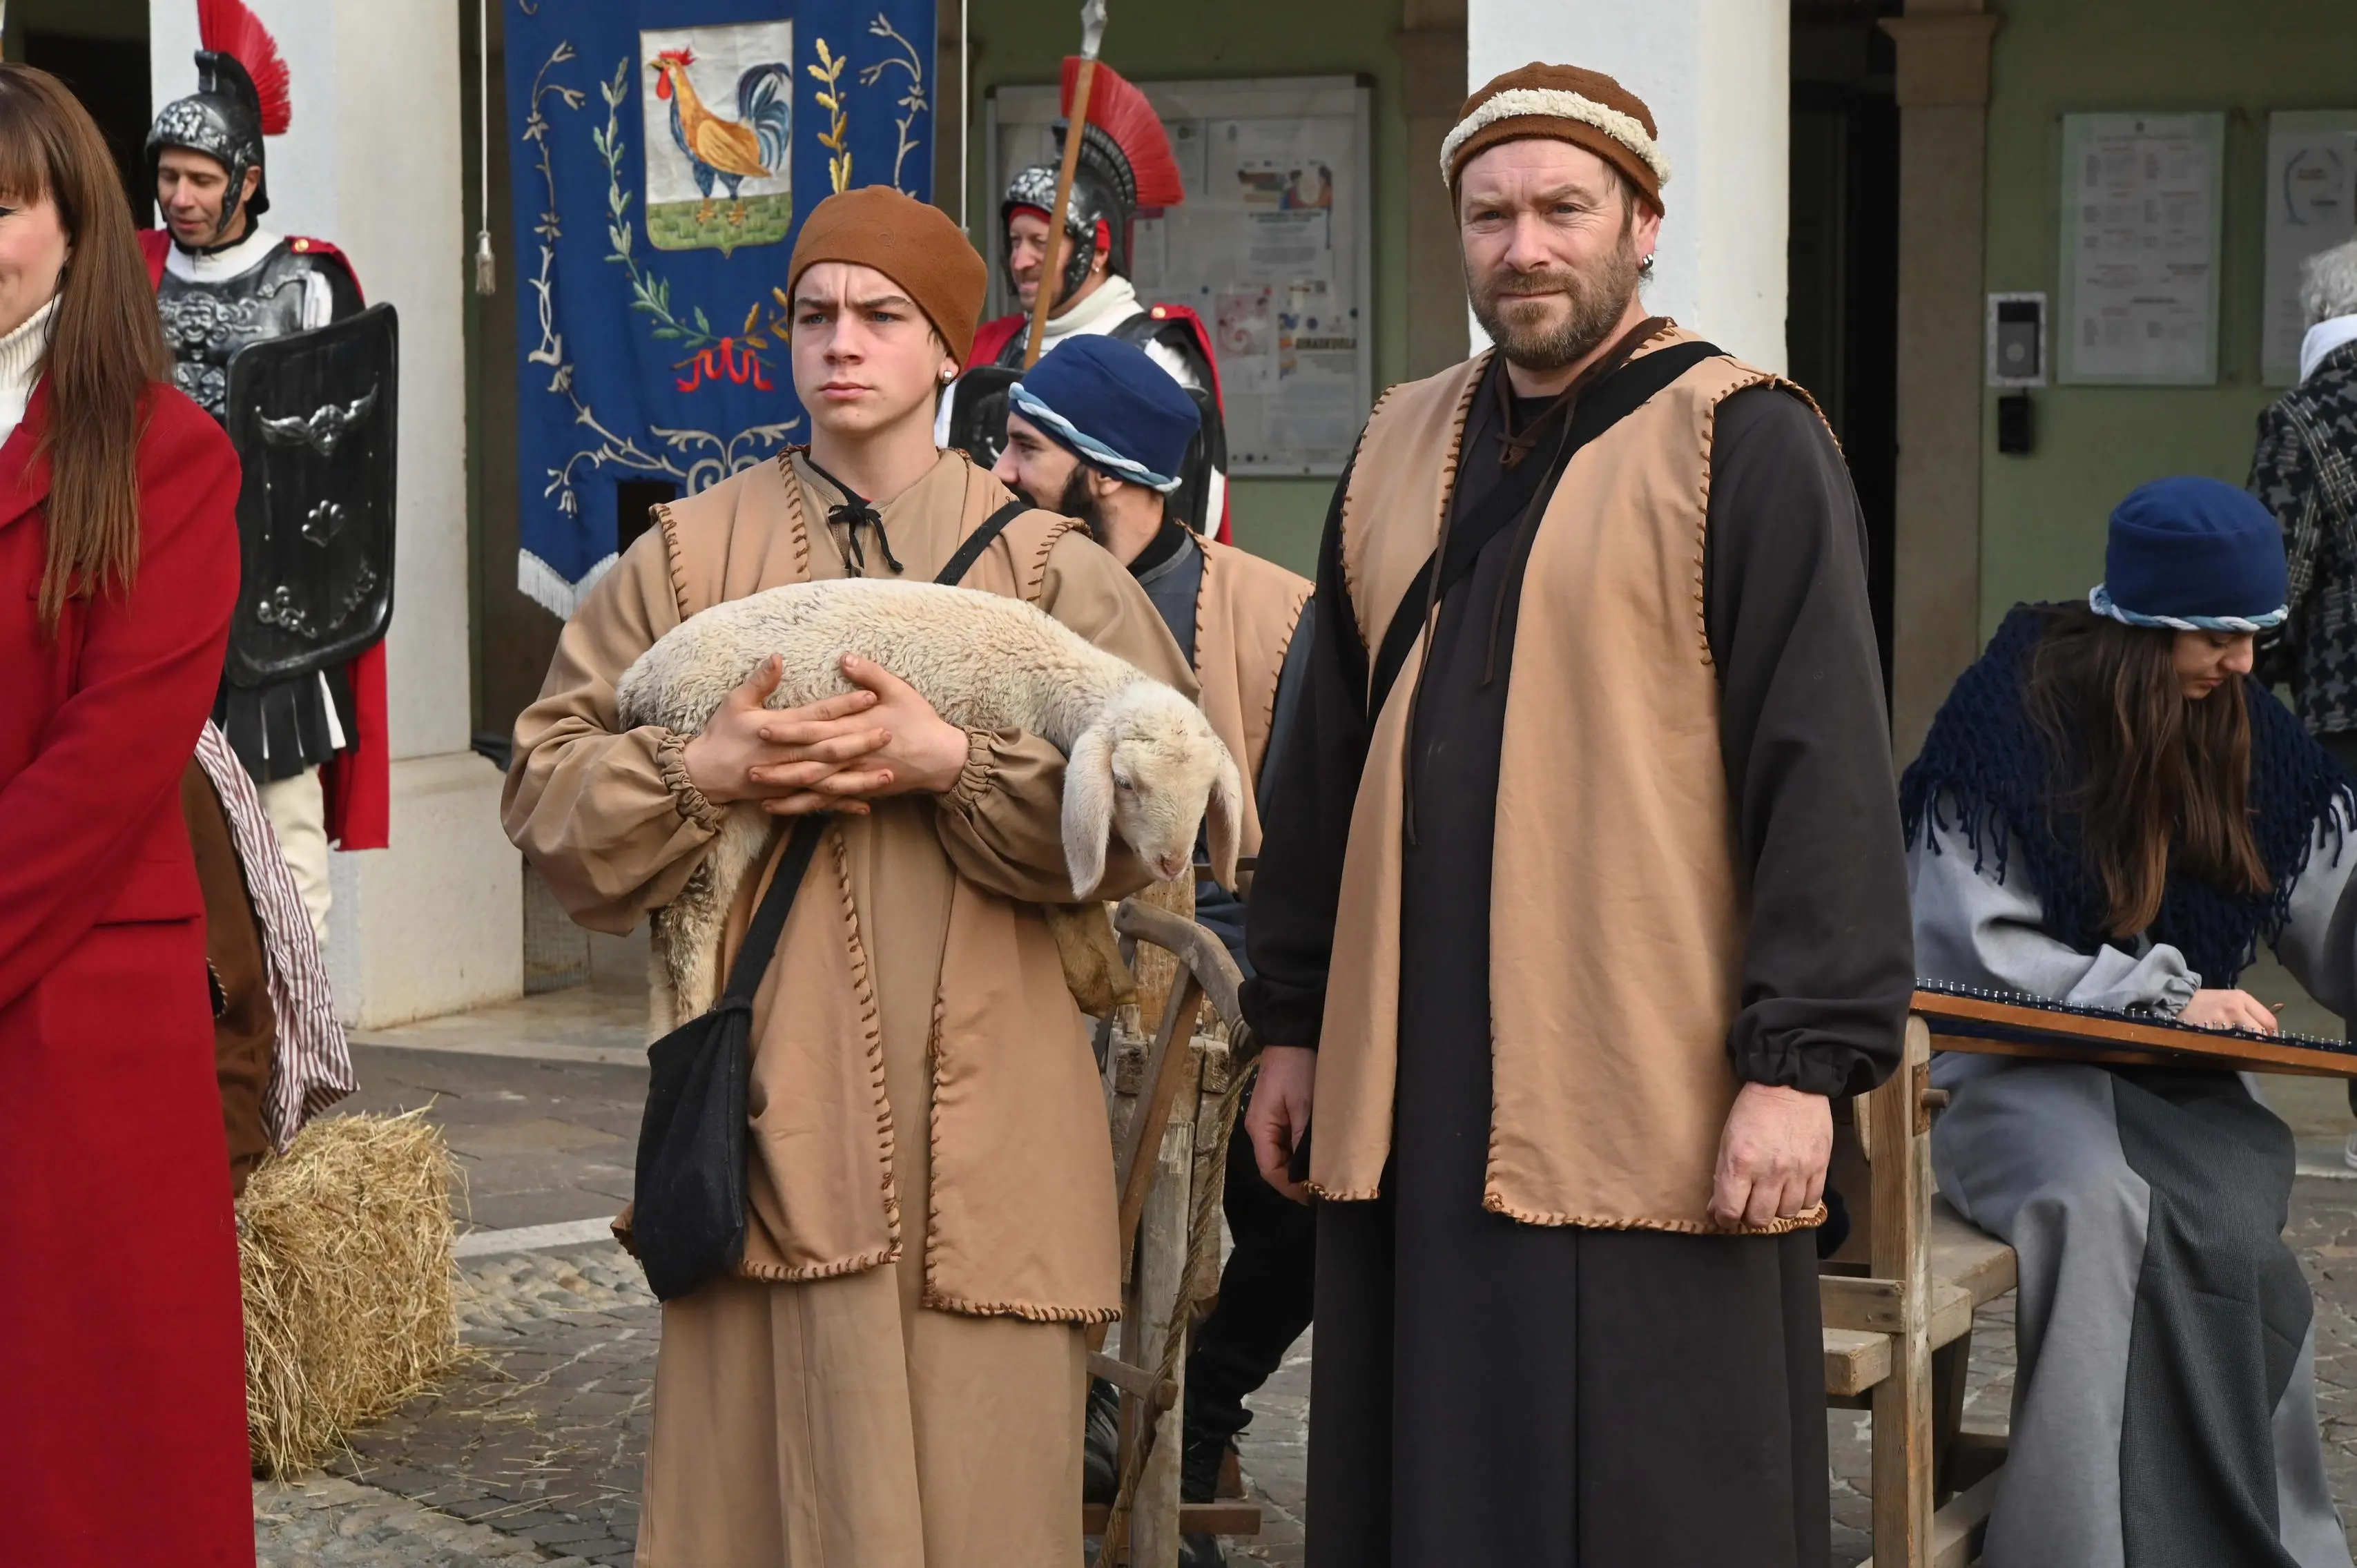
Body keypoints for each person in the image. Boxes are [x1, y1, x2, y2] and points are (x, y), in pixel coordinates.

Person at [1237, 62, 1914, 1564]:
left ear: (1642, 223)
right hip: (1416, 1065)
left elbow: (1824, 779)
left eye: (1562, 209)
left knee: (1658, 1480)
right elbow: (1319, 767)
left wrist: (1800, 1066)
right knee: (1435, 1467)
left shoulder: (1747, 441)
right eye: (1492, 215)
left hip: (1643, 1069)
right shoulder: (1395, 447)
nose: (1524, 246)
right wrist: (1291, 1019)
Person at [504, 185, 1197, 1566]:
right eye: (815, 314)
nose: (843, 342)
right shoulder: (684, 563)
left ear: (948, 350)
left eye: (884, 317)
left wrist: (954, 762)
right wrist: (707, 771)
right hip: (768, 1129)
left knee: (986, 1510)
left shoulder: (1058, 574)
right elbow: (546, 795)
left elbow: (1156, 826)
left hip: (997, 1143)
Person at [1902, 477, 2356, 1568]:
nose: (2243, 664)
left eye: (2258, 635)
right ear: (2142, 621)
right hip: (2008, 1074)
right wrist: (2159, 993)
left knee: (2235, 1227)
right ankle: (2085, 1545)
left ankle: (2239, 1537)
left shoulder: (2249, 727)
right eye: (2217, 637)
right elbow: (1967, 955)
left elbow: (2333, 899)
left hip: (2178, 1083)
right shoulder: (2007, 715)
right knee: (2108, 1204)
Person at [990, 333, 1315, 1565]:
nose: (1000, 472)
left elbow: (1295, 848)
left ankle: (1186, 1418)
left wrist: (1245, 982)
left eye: (1026, 451)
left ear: (1109, 476)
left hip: (1222, 994)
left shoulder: (1271, 618)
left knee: (1315, 1198)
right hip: (1038, 979)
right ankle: (1063, 1426)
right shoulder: (997, 601)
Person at [0, 62, 254, 1562]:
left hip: (76, 1011)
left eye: (4, 206)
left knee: (90, 1459)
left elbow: (111, 763)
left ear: (79, 229)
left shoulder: (169, 453)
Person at [142, 0, 389, 947]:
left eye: (202, 177)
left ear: (247, 178)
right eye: (169, 176)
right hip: (157, 589)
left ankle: (301, 1056)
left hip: (272, 601)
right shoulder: (133, 275)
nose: (183, 196)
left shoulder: (310, 282)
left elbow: (350, 452)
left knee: (285, 833)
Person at [938, 61, 1230, 537]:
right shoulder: (990, 351)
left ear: (1097, 250)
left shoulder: (1155, 354)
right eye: (1015, 241)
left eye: (1041, 242)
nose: (1022, 260)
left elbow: (1196, 508)